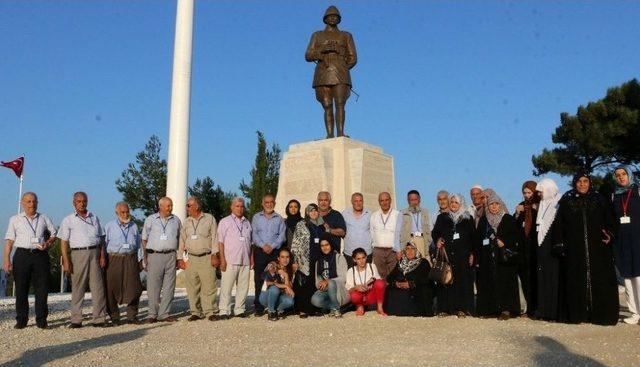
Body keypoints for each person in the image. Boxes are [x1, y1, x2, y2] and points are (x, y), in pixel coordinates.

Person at [556, 171, 618, 325]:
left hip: (598, 249)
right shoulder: (566, 200)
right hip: (574, 250)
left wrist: (610, 234)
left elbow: (610, 221)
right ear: (574, 183)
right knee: (575, 280)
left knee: (600, 280)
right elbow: (559, 225)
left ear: (590, 182)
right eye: (579, 181)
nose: (582, 184)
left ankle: (600, 315)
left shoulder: (599, 199)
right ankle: (578, 314)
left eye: (585, 181)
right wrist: (560, 243)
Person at [3, 192, 57, 329]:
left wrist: (48, 243)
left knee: (42, 288)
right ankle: (21, 319)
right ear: (22, 203)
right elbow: (9, 241)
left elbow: (54, 233)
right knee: (21, 288)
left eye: (34, 201)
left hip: (40, 255)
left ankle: (41, 320)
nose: (31, 204)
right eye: (28, 201)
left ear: (37, 203)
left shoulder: (44, 218)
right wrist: (6, 260)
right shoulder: (14, 219)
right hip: (22, 255)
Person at [305, 5, 357, 138]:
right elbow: (308, 55)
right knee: (327, 104)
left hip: (341, 73)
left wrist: (343, 66)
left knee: (340, 103)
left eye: (335, 16)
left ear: (339, 19)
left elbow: (353, 57)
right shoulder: (317, 35)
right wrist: (322, 51)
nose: (333, 18)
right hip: (323, 72)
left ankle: (340, 133)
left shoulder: (346, 35)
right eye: (330, 16)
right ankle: (329, 134)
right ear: (325, 19)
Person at [58, 191, 108, 328]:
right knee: (78, 286)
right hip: (78, 254)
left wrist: (102, 255)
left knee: (98, 287)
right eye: (79, 201)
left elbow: (102, 238)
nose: (82, 204)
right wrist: (66, 260)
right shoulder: (68, 220)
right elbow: (63, 242)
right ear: (74, 203)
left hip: (95, 252)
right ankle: (76, 319)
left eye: (84, 201)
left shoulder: (94, 217)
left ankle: (99, 318)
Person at [475, 191, 521, 320]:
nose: (494, 207)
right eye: (491, 204)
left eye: (496, 204)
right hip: (488, 257)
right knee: (489, 283)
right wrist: (478, 258)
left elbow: (515, 236)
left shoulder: (507, 218)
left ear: (500, 205)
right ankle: (491, 309)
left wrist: (505, 242)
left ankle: (506, 310)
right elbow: (478, 239)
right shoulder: (484, 220)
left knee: (505, 283)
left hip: (504, 258)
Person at [432, 194, 475, 317]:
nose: (453, 205)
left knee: (462, 281)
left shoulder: (467, 218)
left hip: (462, 255)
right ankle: (445, 309)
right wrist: (438, 239)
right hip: (447, 254)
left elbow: (472, 238)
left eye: (456, 202)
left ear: (461, 204)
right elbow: (435, 233)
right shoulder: (442, 217)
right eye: (451, 202)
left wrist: (472, 253)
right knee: (446, 280)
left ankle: (462, 308)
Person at [177, 196, 219, 322]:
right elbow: (181, 240)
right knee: (192, 286)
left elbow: (215, 237)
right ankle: (196, 312)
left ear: (197, 206)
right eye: (186, 205)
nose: (186, 208)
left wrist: (215, 254)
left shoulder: (209, 218)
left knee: (209, 285)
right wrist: (180, 258)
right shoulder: (186, 222)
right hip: (191, 258)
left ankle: (210, 311)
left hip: (206, 256)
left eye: (188, 205)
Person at [142, 197, 181, 323]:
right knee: (153, 286)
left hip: (171, 255)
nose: (171, 207)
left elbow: (180, 238)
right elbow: (144, 239)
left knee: (169, 286)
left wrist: (179, 257)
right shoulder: (150, 219)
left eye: (171, 205)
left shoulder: (176, 220)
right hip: (155, 255)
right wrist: (145, 257)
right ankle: (152, 314)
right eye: (168, 205)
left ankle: (164, 313)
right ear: (160, 206)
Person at [104, 202, 143, 325]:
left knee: (135, 288)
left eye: (127, 212)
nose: (125, 214)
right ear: (117, 213)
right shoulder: (109, 226)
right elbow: (104, 245)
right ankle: (114, 317)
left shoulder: (134, 226)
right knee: (110, 288)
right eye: (122, 212)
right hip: (114, 259)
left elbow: (139, 245)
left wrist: (140, 260)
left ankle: (132, 316)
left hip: (130, 258)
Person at [612, 165, 640, 325]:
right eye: (618, 175)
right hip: (623, 242)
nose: (621, 177)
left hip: (638, 240)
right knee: (628, 278)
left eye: (623, 174)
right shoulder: (615, 196)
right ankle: (634, 312)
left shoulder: (638, 191)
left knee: (639, 277)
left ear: (629, 175)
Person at [251, 194, 286, 316]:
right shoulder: (256, 217)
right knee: (258, 279)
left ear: (274, 203)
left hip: (274, 252)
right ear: (262, 203)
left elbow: (282, 236)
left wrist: (272, 246)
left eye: (271, 202)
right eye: (266, 202)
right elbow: (254, 235)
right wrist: (263, 245)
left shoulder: (279, 219)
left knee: (274, 278)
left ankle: (274, 305)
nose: (269, 204)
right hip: (260, 252)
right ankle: (258, 307)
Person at [217, 197, 252, 319]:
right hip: (230, 260)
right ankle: (224, 310)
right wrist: (222, 259)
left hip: (245, 260)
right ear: (231, 207)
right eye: (237, 206)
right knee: (226, 287)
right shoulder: (224, 222)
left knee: (243, 287)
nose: (240, 208)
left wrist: (251, 258)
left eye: (242, 206)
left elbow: (250, 242)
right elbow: (220, 242)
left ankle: (239, 309)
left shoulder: (247, 223)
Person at [534, 178, 563, 321]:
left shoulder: (558, 203)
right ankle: (543, 310)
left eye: (541, 192)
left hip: (553, 246)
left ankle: (553, 311)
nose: (539, 195)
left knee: (553, 278)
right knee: (543, 277)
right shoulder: (542, 204)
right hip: (542, 246)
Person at [291, 203, 325, 317]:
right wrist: (295, 260)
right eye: (311, 211)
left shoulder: (322, 224)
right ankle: (303, 309)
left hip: (318, 258)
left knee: (314, 283)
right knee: (304, 285)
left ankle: (314, 308)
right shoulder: (301, 224)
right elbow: (295, 242)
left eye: (315, 210)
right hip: (304, 259)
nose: (314, 213)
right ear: (307, 213)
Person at [385, 242, 433, 316]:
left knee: (423, 290)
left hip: (417, 287)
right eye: (407, 249)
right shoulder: (401, 263)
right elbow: (389, 278)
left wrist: (411, 284)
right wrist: (396, 283)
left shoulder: (423, 262)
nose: (410, 251)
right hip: (402, 288)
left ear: (416, 250)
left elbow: (427, 279)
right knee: (389, 289)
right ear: (404, 251)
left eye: (412, 249)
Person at [514, 180, 540, 318]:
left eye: (529, 192)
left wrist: (537, 209)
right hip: (523, 248)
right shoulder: (521, 206)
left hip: (535, 248)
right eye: (524, 192)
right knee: (524, 278)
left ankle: (537, 307)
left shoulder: (540, 205)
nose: (527, 195)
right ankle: (528, 308)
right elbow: (516, 226)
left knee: (535, 279)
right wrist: (517, 214)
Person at [311, 234, 349, 317]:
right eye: (322, 246)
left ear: (331, 245)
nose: (325, 248)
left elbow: (343, 278)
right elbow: (317, 281)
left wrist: (328, 281)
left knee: (331, 283)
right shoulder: (319, 262)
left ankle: (336, 309)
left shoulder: (339, 258)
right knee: (315, 300)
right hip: (326, 290)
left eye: (327, 245)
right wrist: (320, 284)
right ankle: (333, 307)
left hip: (338, 289)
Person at [370, 192, 403, 278]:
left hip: (393, 251)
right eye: (382, 200)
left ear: (390, 201)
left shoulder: (397, 214)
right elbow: (371, 233)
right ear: (379, 202)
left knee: (393, 276)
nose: (384, 203)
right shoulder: (374, 215)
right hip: (378, 251)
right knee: (380, 277)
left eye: (386, 200)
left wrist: (399, 250)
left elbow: (400, 234)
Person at [345, 247, 386, 316]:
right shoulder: (351, 271)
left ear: (366, 257)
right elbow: (348, 291)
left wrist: (371, 283)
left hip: (371, 295)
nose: (361, 261)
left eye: (363, 258)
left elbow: (379, 283)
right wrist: (356, 287)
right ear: (354, 260)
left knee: (380, 283)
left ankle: (380, 308)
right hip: (359, 297)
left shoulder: (372, 266)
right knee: (354, 295)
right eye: (358, 259)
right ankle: (359, 306)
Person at [259, 248, 295, 321]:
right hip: (265, 296)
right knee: (274, 289)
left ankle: (274, 308)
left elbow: (288, 291)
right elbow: (268, 283)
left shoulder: (289, 269)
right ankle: (271, 312)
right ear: (278, 258)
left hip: (278, 297)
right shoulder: (272, 265)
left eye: (287, 257)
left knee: (290, 301)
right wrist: (285, 286)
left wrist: (286, 276)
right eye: (282, 257)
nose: (285, 259)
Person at [342, 192, 372, 267]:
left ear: (363, 201)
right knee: (351, 277)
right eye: (355, 201)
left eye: (360, 201)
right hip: (350, 254)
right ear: (352, 202)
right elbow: (342, 231)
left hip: (366, 254)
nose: (358, 203)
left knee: (367, 277)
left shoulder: (370, 214)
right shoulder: (345, 214)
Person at [400, 190, 432, 258]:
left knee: (423, 263)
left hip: (422, 240)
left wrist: (428, 242)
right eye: (411, 200)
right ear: (408, 201)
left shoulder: (426, 212)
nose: (414, 202)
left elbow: (430, 229)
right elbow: (398, 232)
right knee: (411, 264)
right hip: (409, 241)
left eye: (415, 199)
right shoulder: (402, 213)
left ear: (419, 199)